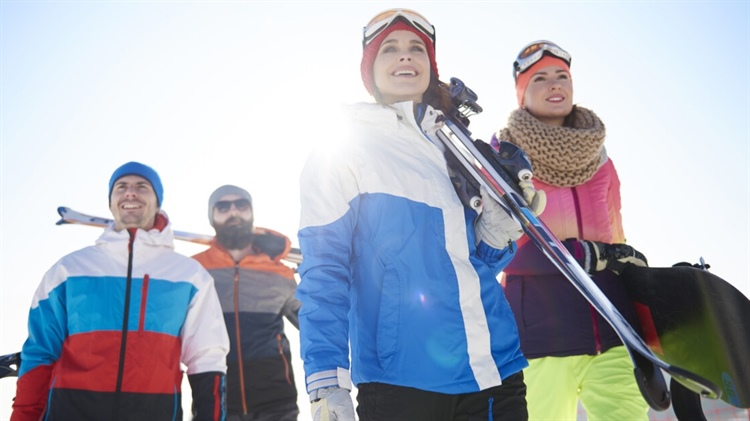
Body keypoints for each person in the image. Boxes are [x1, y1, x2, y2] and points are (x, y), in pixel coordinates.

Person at [295, 9, 546, 421]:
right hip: (401, 380)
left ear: (431, 66)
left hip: (493, 368)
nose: (405, 56)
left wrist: (495, 235)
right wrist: (326, 379)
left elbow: (471, 266)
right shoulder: (341, 150)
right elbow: (324, 271)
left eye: (417, 49)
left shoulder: (459, 148)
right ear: (370, 70)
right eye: (389, 49)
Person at [491, 41, 650, 420]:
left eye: (561, 76)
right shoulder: (502, 156)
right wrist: (583, 255)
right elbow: (500, 249)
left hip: (613, 333)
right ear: (521, 93)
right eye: (539, 78)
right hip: (540, 339)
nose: (554, 84)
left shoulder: (600, 159)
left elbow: (616, 239)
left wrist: (630, 268)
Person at [11, 161, 230, 421]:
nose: (130, 192)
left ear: (158, 202)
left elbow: (207, 358)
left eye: (142, 186)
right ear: (111, 202)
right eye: (121, 187)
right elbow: (39, 353)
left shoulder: (190, 276)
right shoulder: (68, 271)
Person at [192, 185, 300, 421]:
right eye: (223, 206)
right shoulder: (195, 270)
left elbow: (313, 322)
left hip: (276, 403)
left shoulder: (279, 272)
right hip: (214, 401)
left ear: (251, 212)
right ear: (212, 217)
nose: (233, 211)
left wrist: (315, 280)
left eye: (241, 205)